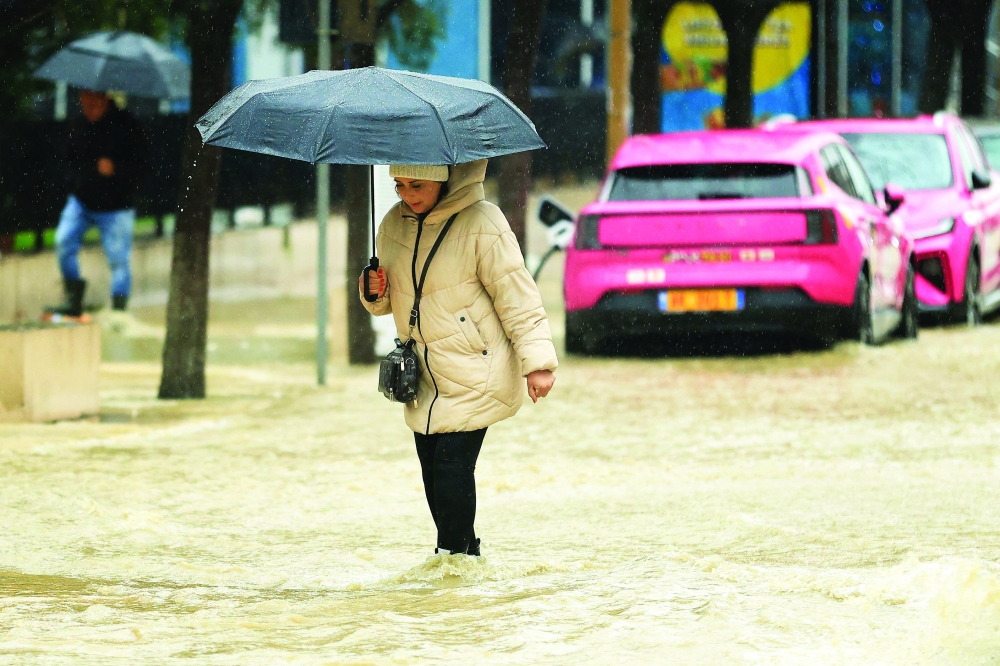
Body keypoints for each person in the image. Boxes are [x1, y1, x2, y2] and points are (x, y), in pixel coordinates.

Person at [359, 161, 558, 557]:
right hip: (424, 379)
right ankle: (465, 569)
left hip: (476, 371)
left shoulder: (484, 222)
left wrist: (537, 362)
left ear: (443, 176)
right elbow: (387, 305)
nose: (407, 194)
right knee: (434, 478)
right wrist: (372, 290)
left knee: (451, 474)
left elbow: (517, 295)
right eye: (399, 185)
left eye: (416, 184)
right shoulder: (392, 225)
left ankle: (450, 573)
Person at [47, 89, 147, 317]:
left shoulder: (126, 125)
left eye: (92, 102)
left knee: (118, 259)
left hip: (116, 206)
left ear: (104, 99)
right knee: (64, 242)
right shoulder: (78, 125)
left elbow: (142, 166)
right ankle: (73, 297)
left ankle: (119, 310)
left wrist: (116, 170)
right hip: (82, 201)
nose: (87, 107)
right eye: (84, 101)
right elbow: (68, 161)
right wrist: (76, 182)